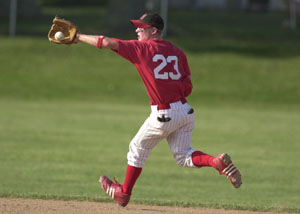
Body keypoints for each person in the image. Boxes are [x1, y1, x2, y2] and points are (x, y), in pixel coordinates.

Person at [74, 13, 242, 207]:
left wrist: (78, 37)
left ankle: (123, 193)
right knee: (184, 155)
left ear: (153, 31)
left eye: (141, 27)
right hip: (185, 111)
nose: (137, 30)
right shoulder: (178, 52)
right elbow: (188, 87)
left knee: (137, 149)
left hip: (163, 114)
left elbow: (105, 42)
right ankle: (216, 162)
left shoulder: (141, 49)